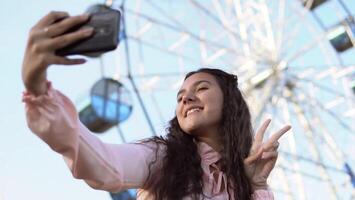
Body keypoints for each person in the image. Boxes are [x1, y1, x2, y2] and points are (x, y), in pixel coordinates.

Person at [22, 12, 291, 200]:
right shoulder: (162, 158)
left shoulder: (245, 181)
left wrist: (257, 185)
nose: (186, 99)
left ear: (230, 104)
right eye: (180, 96)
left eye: (202, 88)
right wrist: (37, 90)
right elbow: (104, 164)